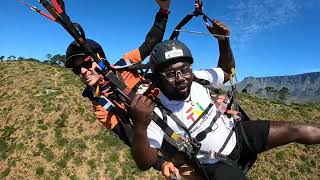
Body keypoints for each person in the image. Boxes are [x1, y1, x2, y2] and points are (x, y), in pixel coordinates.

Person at [129, 39, 320, 179]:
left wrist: (223, 41)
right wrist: (139, 126)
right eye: (171, 74)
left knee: (298, 130)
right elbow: (144, 162)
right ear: (157, 77)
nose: (181, 78)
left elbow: (227, 72)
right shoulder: (153, 108)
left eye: (185, 69)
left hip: (237, 135)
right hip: (214, 162)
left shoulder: (197, 77)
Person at [64, 0, 171, 171]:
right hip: (160, 136)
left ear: (101, 59)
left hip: (173, 110)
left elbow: (150, 43)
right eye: (77, 70)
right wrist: (162, 163)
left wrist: (164, 11)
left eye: (86, 63)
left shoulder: (124, 64)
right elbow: (128, 135)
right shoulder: (100, 104)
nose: (83, 71)